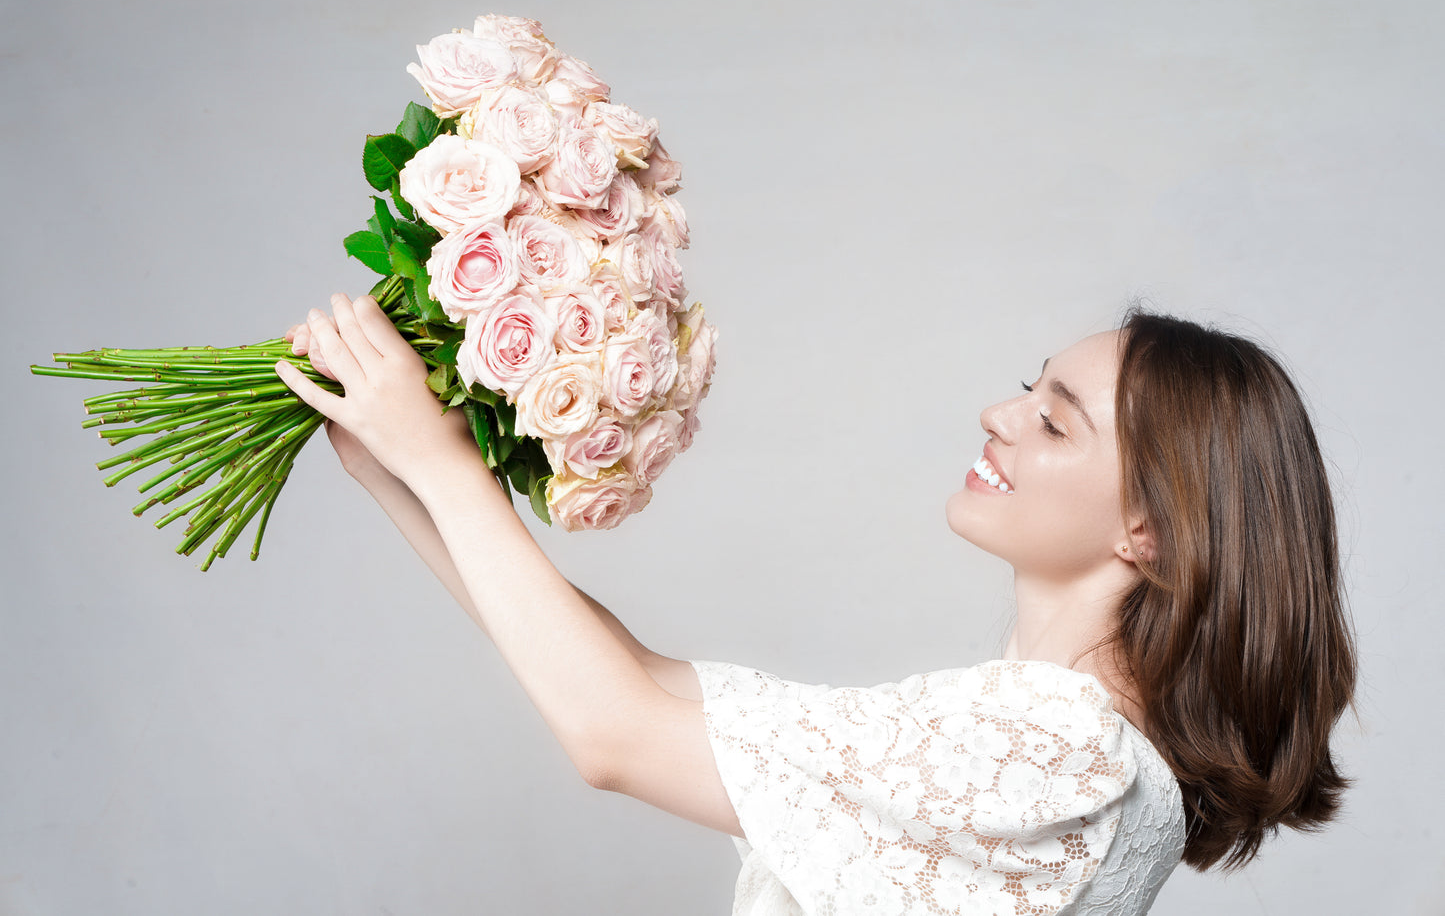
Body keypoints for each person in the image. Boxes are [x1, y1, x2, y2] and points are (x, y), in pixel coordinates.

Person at [276, 297, 1357, 915]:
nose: (997, 414)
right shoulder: (1056, 737)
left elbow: (613, 734)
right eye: (1027, 387)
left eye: (1053, 421)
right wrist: (402, 472)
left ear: (1149, 531)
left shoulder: (1055, 746)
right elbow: (642, 683)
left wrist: (444, 472)